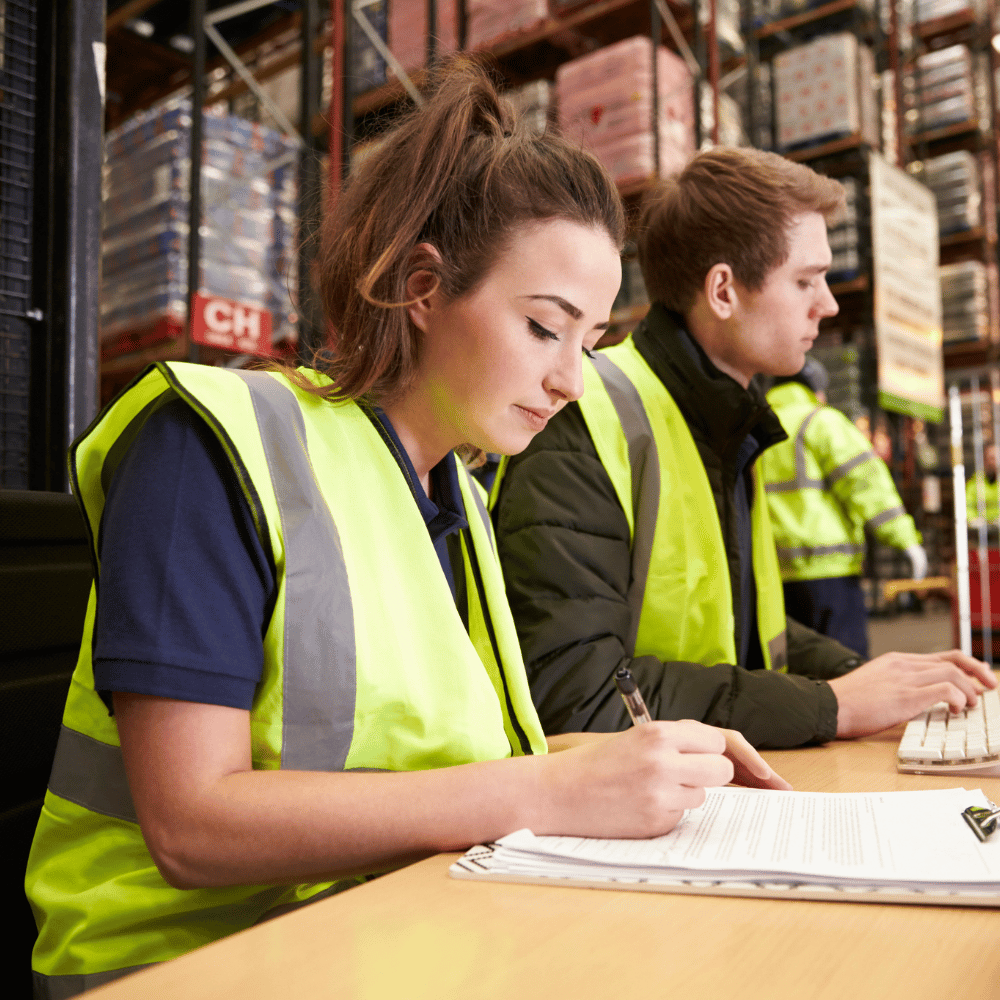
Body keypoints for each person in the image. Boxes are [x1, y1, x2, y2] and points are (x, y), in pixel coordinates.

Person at [26, 67, 791, 999]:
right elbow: (190, 823)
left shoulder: (458, 498)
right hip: (184, 968)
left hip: (385, 933)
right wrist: (541, 791)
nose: (571, 382)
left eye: (589, 342)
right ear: (423, 287)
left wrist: (644, 756)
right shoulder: (212, 443)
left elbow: (446, 759)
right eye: (545, 329)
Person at [491, 146, 995, 749]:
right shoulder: (582, 417)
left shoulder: (729, 426)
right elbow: (578, 693)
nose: (828, 304)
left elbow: (748, 637)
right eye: (805, 280)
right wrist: (829, 704)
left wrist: (863, 676)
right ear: (724, 291)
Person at [761, 356, 926, 659]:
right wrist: (906, 540)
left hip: (772, 577)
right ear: (815, 390)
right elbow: (865, 483)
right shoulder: (820, 421)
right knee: (843, 665)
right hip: (829, 572)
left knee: (793, 672)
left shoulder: (754, 426)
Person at [966, 442, 1000, 525]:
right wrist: (973, 520)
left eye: (996, 458)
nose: (994, 462)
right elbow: (967, 505)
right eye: (991, 458)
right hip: (982, 528)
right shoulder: (975, 481)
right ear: (984, 460)